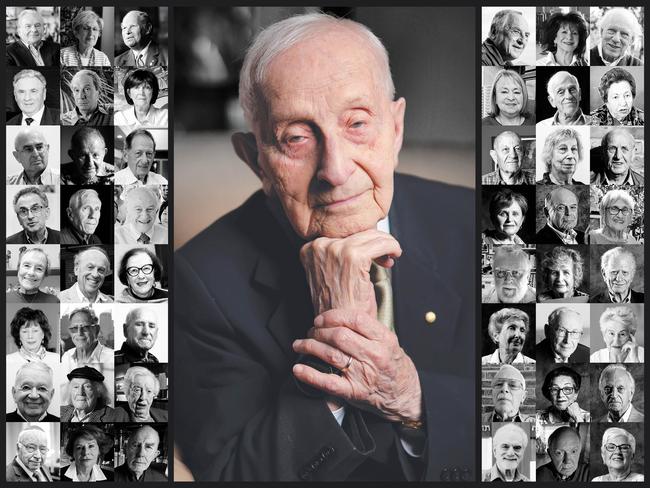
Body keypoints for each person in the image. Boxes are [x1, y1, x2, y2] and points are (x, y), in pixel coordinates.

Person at [176, 13, 475, 481]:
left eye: (356, 123)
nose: (335, 169)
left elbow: (543, 423)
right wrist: (335, 366)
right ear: (255, 159)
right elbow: (228, 474)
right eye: (296, 137)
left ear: (395, 130)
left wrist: (411, 399)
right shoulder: (200, 280)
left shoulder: (481, 224)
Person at [61, 307, 114, 373]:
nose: (79, 333)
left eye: (85, 327)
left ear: (96, 330)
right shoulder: (66, 357)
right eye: (74, 328)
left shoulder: (111, 358)